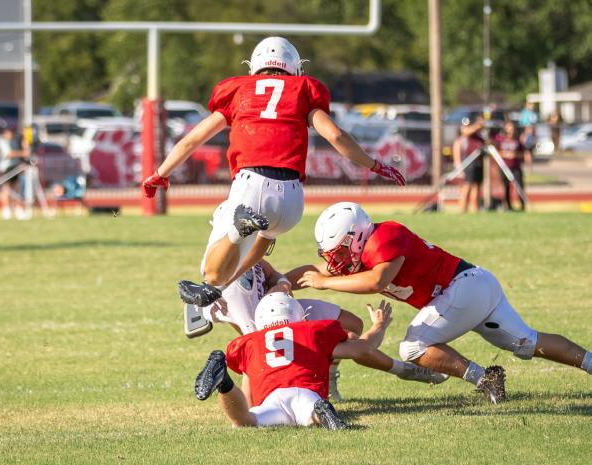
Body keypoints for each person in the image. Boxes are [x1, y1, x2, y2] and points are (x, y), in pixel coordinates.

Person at [141, 36, 405, 309]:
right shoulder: (303, 90)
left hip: (251, 185)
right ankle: (216, 291)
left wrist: (160, 172)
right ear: (295, 68)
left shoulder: (240, 92)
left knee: (211, 268)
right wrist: (375, 165)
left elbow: (191, 141)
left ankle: (228, 250)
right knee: (244, 259)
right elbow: (336, 136)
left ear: (254, 68)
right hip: (291, 202)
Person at [289, 202, 592, 403]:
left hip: (463, 287)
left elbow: (376, 281)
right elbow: (313, 271)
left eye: (340, 251)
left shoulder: (386, 235)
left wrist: (325, 283)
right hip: (472, 285)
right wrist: (282, 282)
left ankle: (485, 379)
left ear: (356, 237)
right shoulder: (362, 251)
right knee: (527, 343)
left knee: (412, 346)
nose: (336, 261)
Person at [198, 257, 448, 400]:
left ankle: (327, 374)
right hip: (267, 324)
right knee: (341, 344)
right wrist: (380, 325)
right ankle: (404, 370)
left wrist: (282, 283)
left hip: (280, 312)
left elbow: (273, 273)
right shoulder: (226, 281)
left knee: (352, 325)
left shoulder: (248, 253)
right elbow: (362, 347)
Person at [193, 292, 390, 429]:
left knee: (245, 421)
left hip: (272, 399)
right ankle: (319, 411)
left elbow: (248, 396)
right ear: (299, 316)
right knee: (311, 416)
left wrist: (247, 413)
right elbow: (363, 348)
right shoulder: (312, 331)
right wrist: (379, 325)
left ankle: (224, 383)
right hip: (307, 393)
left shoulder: (252, 342)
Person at [494, 121, 531, 211]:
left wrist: (516, 155)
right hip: (505, 167)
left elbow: (524, 153)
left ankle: (522, 205)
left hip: (516, 166)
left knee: (519, 185)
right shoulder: (500, 139)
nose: (511, 129)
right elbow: (495, 152)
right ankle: (508, 206)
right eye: (508, 127)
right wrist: (505, 154)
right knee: (506, 186)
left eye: (512, 127)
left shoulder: (518, 140)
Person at [0, 127, 30, 220]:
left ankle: (18, 209)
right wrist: (23, 153)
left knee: (16, 188)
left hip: (15, 167)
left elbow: (23, 149)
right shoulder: (2, 142)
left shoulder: (14, 142)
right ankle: (6, 210)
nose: (10, 135)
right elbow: (9, 153)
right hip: (6, 168)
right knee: (6, 189)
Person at [452, 117, 485, 213]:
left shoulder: (478, 136)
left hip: (478, 163)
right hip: (469, 163)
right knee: (467, 187)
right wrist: (478, 124)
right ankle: (463, 209)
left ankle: (476, 208)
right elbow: (466, 131)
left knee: (477, 187)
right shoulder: (464, 136)